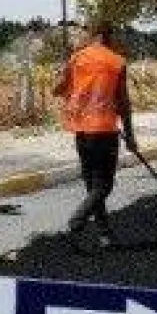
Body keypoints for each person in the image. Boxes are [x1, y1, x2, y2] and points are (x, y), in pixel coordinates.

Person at [52, 19, 137, 247]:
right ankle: (78, 219)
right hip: (104, 131)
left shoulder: (76, 58)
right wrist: (130, 134)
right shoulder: (117, 61)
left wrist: (63, 74)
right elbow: (123, 102)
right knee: (104, 185)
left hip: (81, 131)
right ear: (107, 35)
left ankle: (105, 234)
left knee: (92, 184)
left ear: (93, 35)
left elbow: (57, 90)